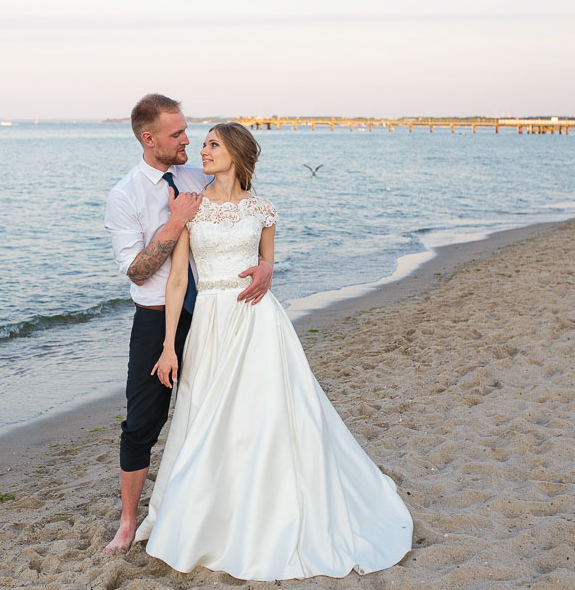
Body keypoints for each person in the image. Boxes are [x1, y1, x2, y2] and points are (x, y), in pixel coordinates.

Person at [133, 122, 414, 580]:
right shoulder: (192, 208)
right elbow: (179, 279)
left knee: (262, 416)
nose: (202, 150)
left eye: (213, 145)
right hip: (210, 320)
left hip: (256, 320)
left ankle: (265, 509)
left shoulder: (262, 208)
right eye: (201, 143)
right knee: (208, 415)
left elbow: (268, 262)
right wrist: (169, 345)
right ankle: (207, 512)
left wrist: (265, 270)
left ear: (237, 154)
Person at [103, 96, 274, 553]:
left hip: (218, 314)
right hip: (159, 319)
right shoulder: (125, 196)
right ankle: (126, 521)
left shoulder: (198, 174)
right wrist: (174, 224)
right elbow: (137, 271)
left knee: (224, 412)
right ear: (149, 138)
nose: (188, 142)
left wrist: (265, 265)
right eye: (177, 134)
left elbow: (242, 216)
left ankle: (229, 504)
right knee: (143, 420)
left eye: (190, 133)